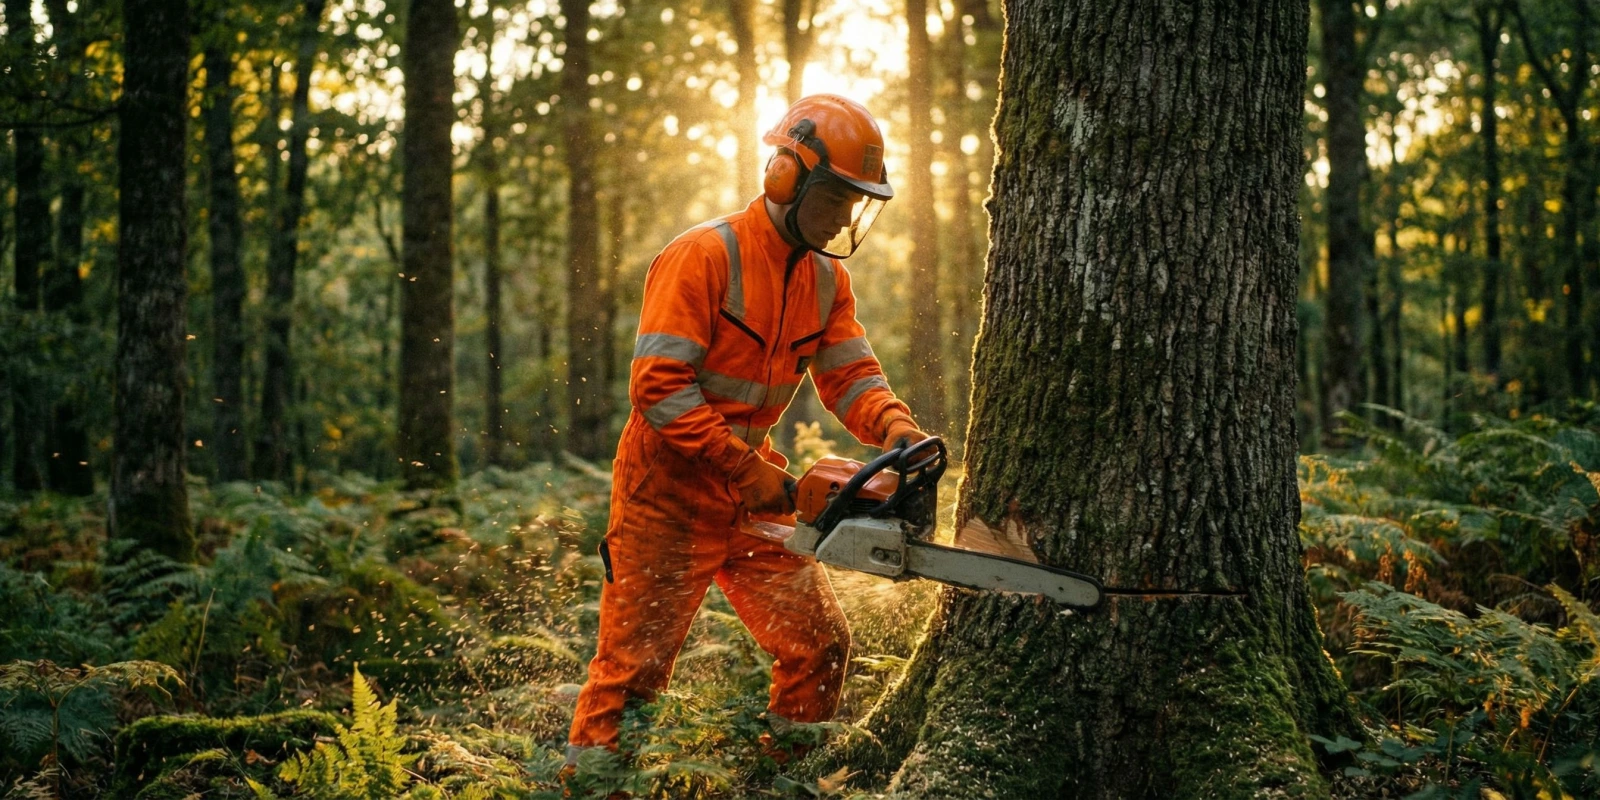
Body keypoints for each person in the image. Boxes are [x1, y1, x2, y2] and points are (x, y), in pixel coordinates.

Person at [563, 94, 929, 777]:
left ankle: (779, 782)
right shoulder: (703, 256)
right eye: (836, 197)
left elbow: (849, 374)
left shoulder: (826, 279)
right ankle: (589, 791)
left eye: (857, 201)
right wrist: (741, 467)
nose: (846, 215)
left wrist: (896, 428)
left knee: (818, 645)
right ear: (786, 177)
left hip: (750, 493)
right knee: (631, 675)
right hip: (665, 495)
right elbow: (660, 387)